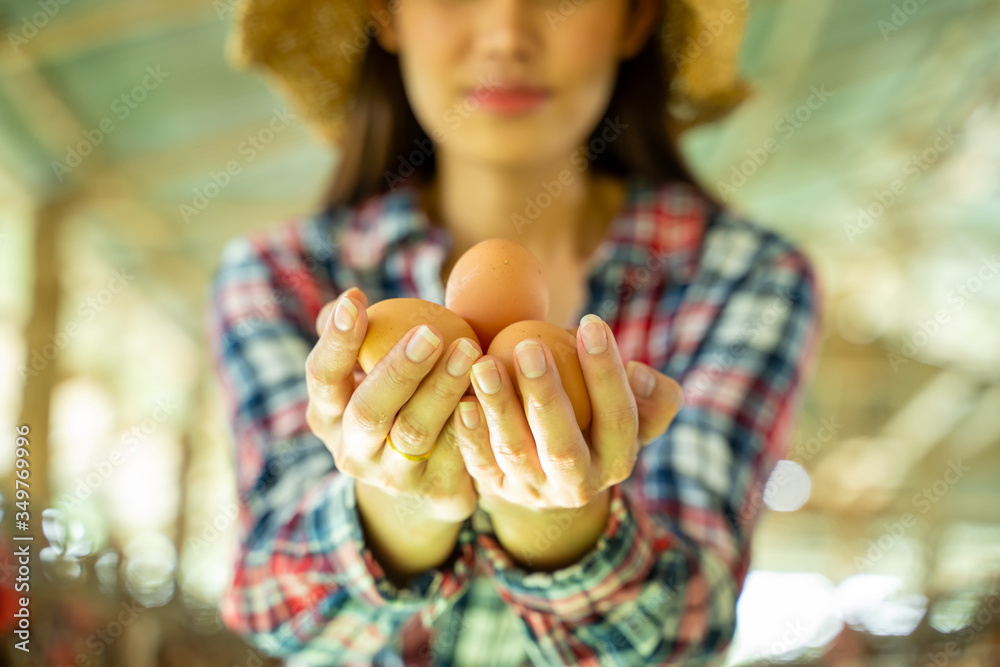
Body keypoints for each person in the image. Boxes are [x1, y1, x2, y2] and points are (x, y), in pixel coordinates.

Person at [205, 0, 823, 664]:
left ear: (636, 18)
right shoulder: (284, 278)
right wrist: (399, 508)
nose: (507, 34)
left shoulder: (744, 278)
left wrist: (558, 521)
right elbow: (275, 605)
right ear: (386, 13)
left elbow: (689, 630)